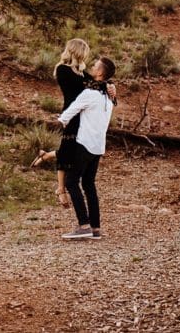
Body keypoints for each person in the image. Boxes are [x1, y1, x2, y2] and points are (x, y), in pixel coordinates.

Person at [31, 39, 115, 208]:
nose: (87, 56)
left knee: (74, 149)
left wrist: (111, 87)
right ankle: (61, 189)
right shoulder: (63, 70)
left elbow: (99, 83)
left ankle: (46, 155)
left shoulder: (83, 73)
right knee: (68, 150)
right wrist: (106, 85)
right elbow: (93, 84)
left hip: (83, 115)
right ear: (77, 52)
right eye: (84, 52)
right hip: (71, 115)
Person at [57, 56, 116, 240]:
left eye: (96, 65)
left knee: (72, 182)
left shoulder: (90, 94)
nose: (93, 66)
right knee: (89, 184)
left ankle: (83, 225)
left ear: (99, 73)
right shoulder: (108, 95)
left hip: (84, 143)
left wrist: (59, 122)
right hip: (99, 146)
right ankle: (96, 227)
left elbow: (70, 111)